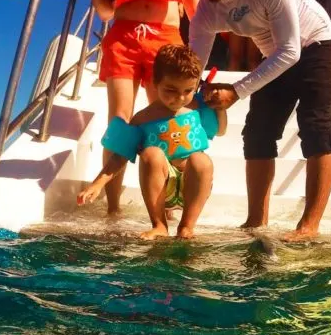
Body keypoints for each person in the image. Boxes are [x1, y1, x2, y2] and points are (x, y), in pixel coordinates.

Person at [177, 0, 331, 240]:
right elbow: (192, 69)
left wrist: (237, 91)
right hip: (273, 55)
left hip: (315, 43)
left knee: (316, 125)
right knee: (256, 132)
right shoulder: (207, 11)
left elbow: (291, 50)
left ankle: (309, 226)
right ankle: (255, 221)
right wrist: (175, 106)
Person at [76, 0, 199, 217]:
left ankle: (169, 201)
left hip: (166, 39)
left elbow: (193, 1)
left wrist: (203, 45)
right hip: (124, 39)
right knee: (119, 124)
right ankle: (112, 209)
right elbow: (104, 12)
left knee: (165, 118)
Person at [77, 45, 226, 240]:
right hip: (162, 187)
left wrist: (220, 108)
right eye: (171, 90)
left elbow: (221, 131)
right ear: (155, 82)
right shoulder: (142, 118)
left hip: (194, 184)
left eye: (188, 90)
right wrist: (97, 184)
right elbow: (121, 154)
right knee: (151, 154)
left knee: (202, 159)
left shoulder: (197, 109)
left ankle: (187, 226)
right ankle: (159, 225)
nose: (179, 98)